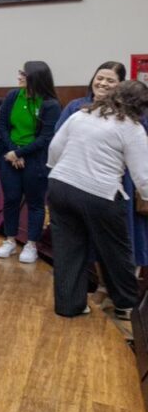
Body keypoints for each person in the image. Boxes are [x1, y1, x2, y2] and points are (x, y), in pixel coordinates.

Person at [48, 80, 148, 324]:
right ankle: (126, 306)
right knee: (116, 251)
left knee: (67, 249)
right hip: (99, 194)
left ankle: (69, 305)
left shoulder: (82, 115)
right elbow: (143, 176)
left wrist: (62, 172)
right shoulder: (131, 128)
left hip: (60, 186)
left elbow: (55, 148)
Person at [57, 61, 148, 278]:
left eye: (110, 80)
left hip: (123, 181)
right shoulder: (77, 107)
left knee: (124, 233)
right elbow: (58, 141)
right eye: (100, 78)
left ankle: (124, 284)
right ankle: (101, 283)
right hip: (80, 179)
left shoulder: (133, 113)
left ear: (120, 85)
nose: (103, 83)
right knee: (88, 235)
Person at [0, 61, 61, 264]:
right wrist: (13, 151)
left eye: (24, 74)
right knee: (11, 199)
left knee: (35, 203)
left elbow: (46, 137)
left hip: (35, 160)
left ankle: (31, 244)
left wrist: (20, 153)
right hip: (9, 156)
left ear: (36, 78)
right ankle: (10, 240)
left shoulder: (50, 104)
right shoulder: (13, 96)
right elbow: (2, 125)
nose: (19, 77)